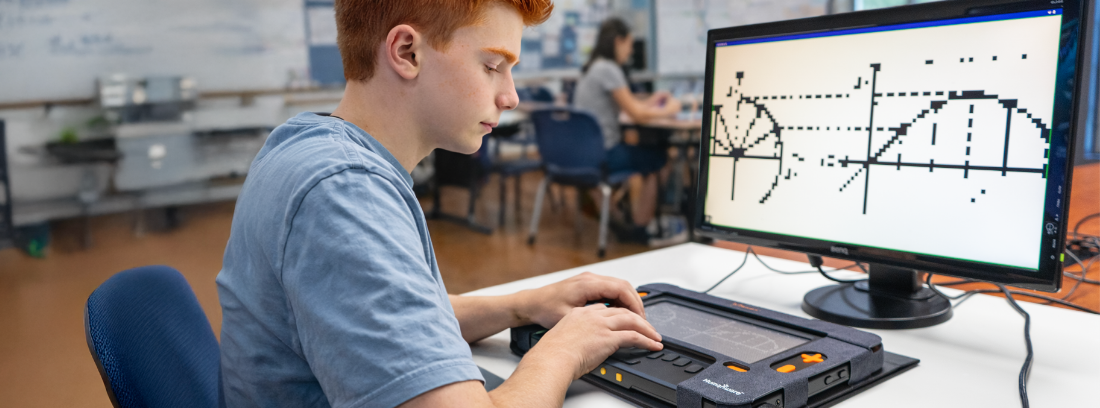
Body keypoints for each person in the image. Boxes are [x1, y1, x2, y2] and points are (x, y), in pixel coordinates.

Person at [215, 1, 663, 407]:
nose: (511, 96)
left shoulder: (307, 145)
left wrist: (523, 305)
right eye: (492, 65)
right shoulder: (344, 192)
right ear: (407, 52)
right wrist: (565, 349)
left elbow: (398, 315)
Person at [572, 17, 687, 247]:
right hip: (605, 154)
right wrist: (671, 109)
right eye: (629, 44)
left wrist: (651, 101)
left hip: (585, 153)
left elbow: (630, 104)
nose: (631, 50)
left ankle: (628, 221)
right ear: (618, 41)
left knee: (646, 152)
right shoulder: (609, 69)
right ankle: (642, 227)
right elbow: (637, 115)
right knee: (659, 158)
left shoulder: (594, 67)